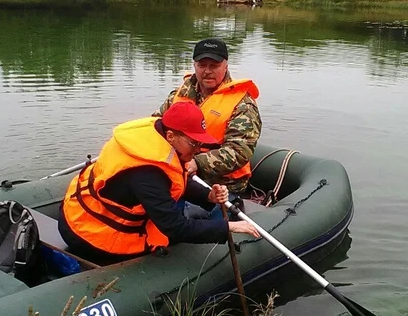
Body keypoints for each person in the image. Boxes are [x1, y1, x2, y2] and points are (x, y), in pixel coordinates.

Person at [58, 101, 260, 265]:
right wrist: (229, 227)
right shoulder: (146, 173)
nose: (199, 149)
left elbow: (172, 179)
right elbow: (175, 228)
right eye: (194, 143)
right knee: (169, 239)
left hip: (80, 211)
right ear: (171, 136)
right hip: (90, 234)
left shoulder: (154, 140)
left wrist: (207, 196)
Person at [153, 38, 261, 207]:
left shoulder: (243, 105)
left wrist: (197, 163)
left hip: (221, 185)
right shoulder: (179, 94)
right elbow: (156, 125)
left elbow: (240, 152)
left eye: (214, 66)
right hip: (176, 171)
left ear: (226, 66)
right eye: (202, 65)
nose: (207, 71)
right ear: (194, 65)